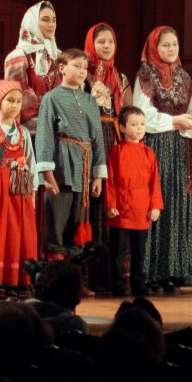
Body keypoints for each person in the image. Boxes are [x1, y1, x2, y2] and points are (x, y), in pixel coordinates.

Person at [129, 25, 192, 293]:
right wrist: (174, 121)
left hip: (179, 148)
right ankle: (151, 273)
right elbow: (142, 115)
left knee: (175, 203)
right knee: (155, 204)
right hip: (155, 146)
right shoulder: (145, 75)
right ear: (154, 47)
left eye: (174, 44)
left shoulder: (184, 77)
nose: (171, 49)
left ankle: (173, 271)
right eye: (165, 45)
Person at [34, 48, 107, 261]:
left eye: (85, 67)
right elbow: (45, 136)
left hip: (84, 168)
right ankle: (56, 272)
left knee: (77, 224)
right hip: (61, 167)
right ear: (62, 68)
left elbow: (97, 138)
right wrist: (47, 175)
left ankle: (74, 273)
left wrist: (98, 175)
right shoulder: (51, 98)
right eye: (77, 66)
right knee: (57, 223)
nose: (82, 71)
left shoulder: (90, 101)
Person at [0, 80, 38, 298]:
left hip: (20, 190)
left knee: (20, 233)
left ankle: (17, 280)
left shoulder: (23, 132)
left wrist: (33, 193)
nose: (14, 105)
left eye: (18, 101)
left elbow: (30, 162)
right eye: (10, 100)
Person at [84, 23, 129, 290]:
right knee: (94, 202)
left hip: (114, 139)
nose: (106, 46)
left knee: (114, 202)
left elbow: (126, 113)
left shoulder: (119, 77)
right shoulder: (83, 74)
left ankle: (115, 274)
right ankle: (93, 274)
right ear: (91, 44)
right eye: (100, 41)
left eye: (110, 41)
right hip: (91, 139)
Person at [105, 105, 164, 297]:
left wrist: (155, 206)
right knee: (118, 250)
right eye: (134, 124)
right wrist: (110, 204)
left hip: (141, 206)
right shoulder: (116, 151)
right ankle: (118, 283)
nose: (139, 128)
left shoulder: (148, 152)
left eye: (142, 124)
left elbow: (155, 182)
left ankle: (138, 282)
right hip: (121, 206)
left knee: (139, 250)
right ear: (122, 127)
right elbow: (110, 180)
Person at [3, 1, 59, 129]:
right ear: (32, 22)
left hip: (57, 129)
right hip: (29, 130)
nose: (51, 24)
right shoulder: (18, 57)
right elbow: (17, 98)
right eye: (45, 20)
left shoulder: (57, 56)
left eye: (54, 20)